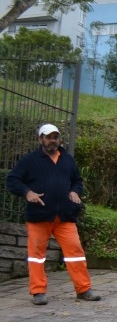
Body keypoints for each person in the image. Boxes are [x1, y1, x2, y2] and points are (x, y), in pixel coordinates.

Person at [5, 124, 101, 305]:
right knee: (36, 255)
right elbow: (12, 180)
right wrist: (28, 192)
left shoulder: (68, 160)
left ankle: (84, 289)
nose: (52, 140)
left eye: (55, 137)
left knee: (76, 253)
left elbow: (77, 181)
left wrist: (75, 191)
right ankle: (38, 292)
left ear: (59, 139)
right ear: (40, 139)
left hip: (65, 216)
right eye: (48, 137)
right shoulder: (29, 160)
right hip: (39, 216)